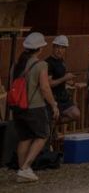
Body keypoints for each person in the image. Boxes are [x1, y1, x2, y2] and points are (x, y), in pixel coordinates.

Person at [12, 32, 58, 183]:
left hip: (18, 107)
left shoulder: (17, 65)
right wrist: (53, 104)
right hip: (35, 106)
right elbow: (45, 88)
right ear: (40, 49)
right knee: (42, 135)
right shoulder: (41, 65)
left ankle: (22, 170)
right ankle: (25, 168)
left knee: (25, 138)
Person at [46, 35, 80, 124]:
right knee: (54, 117)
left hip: (63, 96)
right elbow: (49, 83)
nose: (59, 50)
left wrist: (71, 82)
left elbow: (59, 77)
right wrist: (65, 78)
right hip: (53, 97)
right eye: (57, 47)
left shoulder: (61, 61)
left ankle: (53, 126)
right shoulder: (48, 63)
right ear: (53, 47)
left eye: (62, 48)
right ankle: (52, 129)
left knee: (76, 114)